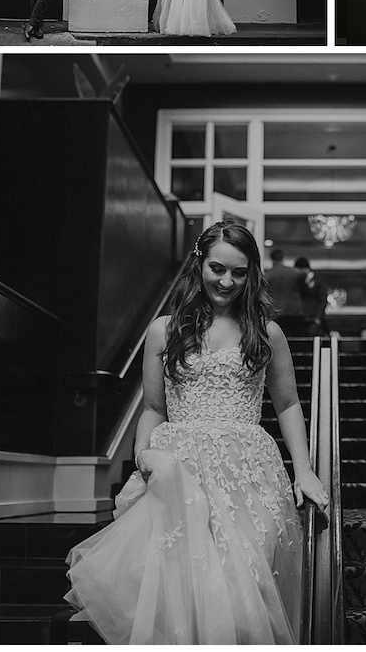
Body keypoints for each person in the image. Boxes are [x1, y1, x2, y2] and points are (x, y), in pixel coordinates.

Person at [64, 222, 327, 643]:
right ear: (199, 264)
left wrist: (305, 470)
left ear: (252, 273)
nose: (227, 281)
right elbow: (152, 407)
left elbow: (288, 404)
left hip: (248, 470)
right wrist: (142, 459)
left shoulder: (267, 331)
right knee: (184, 585)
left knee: (247, 580)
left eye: (239, 273)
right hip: (179, 469)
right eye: (217, 268)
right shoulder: (163, 330)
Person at [265, 248, 306, 338]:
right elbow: (304, 290)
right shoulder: (296, 273)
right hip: (295, 310)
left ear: (272, 259)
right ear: (283, 258)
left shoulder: (268, 275)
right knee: (297, 339)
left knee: (280, 338)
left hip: (277, 311)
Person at [294, 256, 329, 337]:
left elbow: (322, 300)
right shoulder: (298, 281)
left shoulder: (319, 281)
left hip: (314, 317)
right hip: (302, 317)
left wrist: (318, 318)